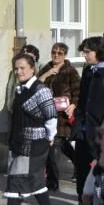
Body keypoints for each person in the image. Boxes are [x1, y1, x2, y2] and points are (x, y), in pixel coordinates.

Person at [0, 53, 59, 205]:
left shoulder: (40, 90)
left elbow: (51, 116)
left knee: (16, 183)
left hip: (32, 146)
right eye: (16, 68)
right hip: (20, 143)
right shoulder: (20, 89)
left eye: (22, 68)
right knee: (36, 181)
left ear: (33, 69)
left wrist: (50, 137)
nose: (18, 71)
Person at [62, 37, 104, 205]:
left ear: (99, 52)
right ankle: (82, 203)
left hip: (102, 131)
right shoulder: (89, 71)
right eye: (83, 51)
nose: (84, 55)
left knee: (102, 171)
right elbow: (83, 99)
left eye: (87, 52)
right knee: (82, 165)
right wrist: (78, 121)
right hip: (85, 128)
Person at [37, 43, 81, 192]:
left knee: (54, 146)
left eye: (60, 53)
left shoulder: (70, 71)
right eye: (54, 52)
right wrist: (47, 74)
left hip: (62, 115)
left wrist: (73, 106)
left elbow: (77, 92)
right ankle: (79, 163)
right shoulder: (46, 68)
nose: (56, 55)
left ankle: (52, 181)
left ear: (65, 55)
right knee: (62, 145)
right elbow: (36, 85)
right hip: (47, 113)